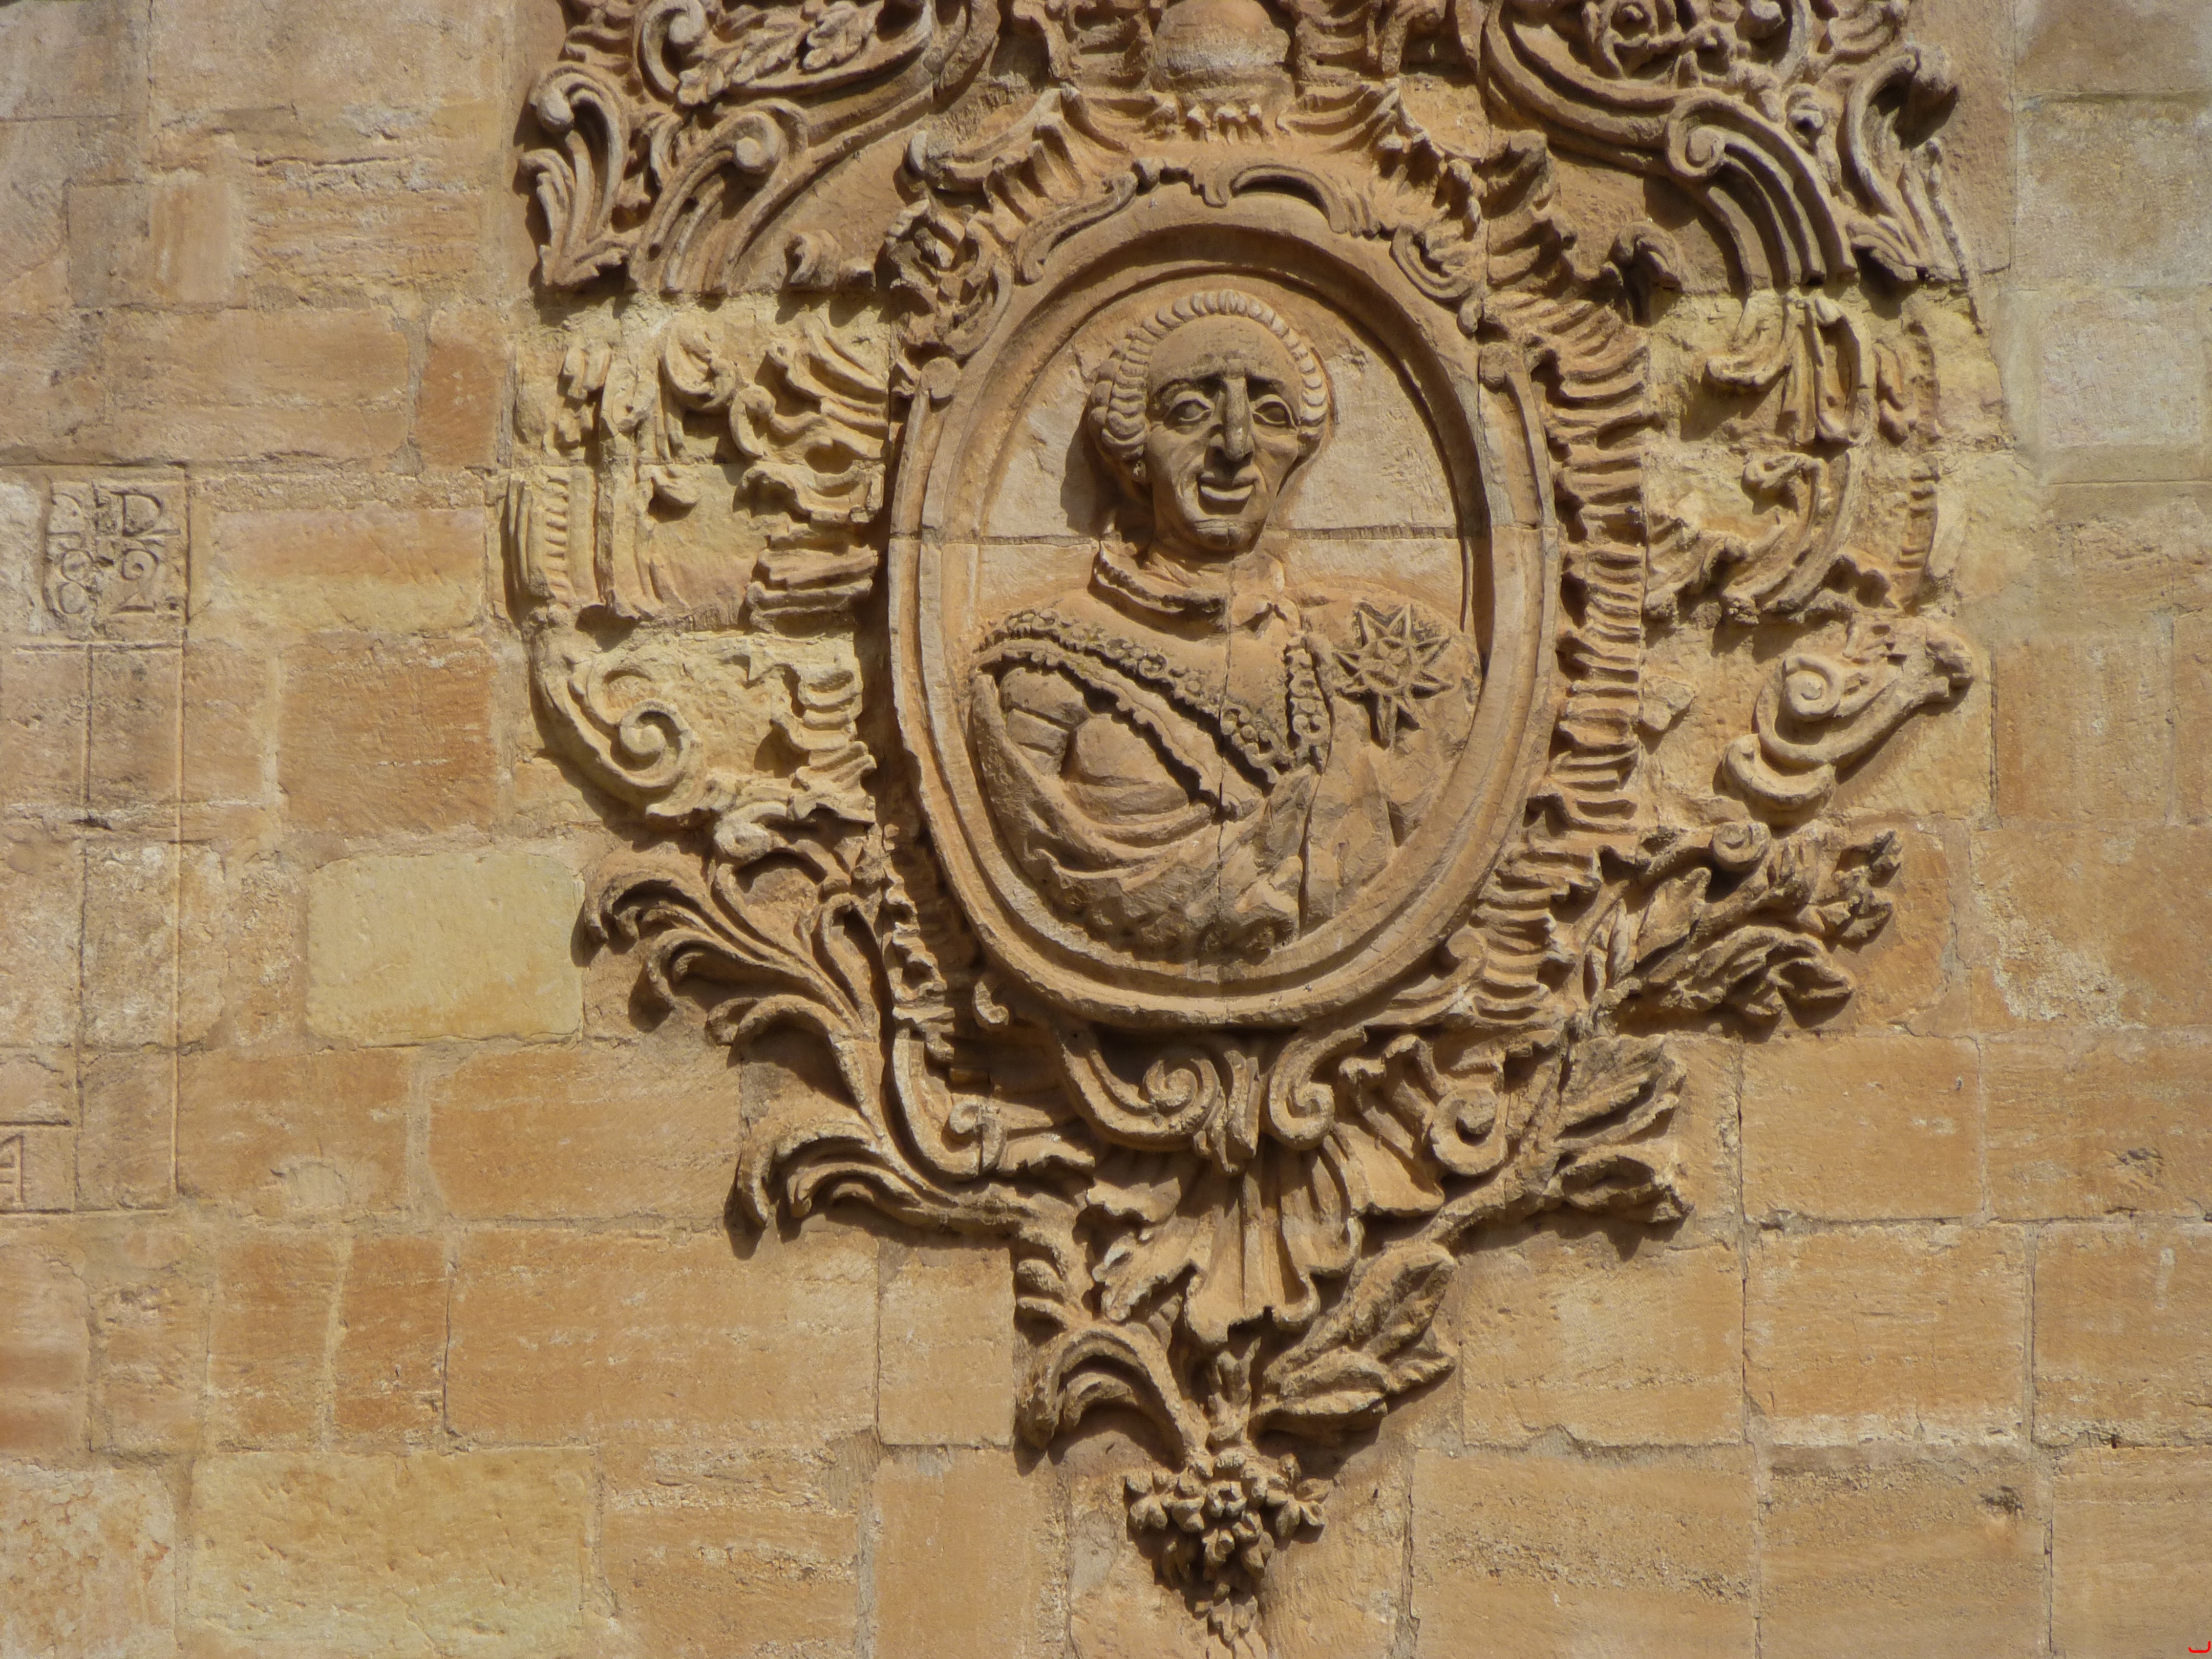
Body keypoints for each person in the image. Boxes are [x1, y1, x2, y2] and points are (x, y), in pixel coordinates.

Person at [968, 288, 1480, 962]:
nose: (1236, 445)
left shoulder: (1377, 649)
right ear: (1134, 447)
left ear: (1297, 450)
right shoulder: (1045, 662)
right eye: (1190, 411)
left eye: (1269, 415)